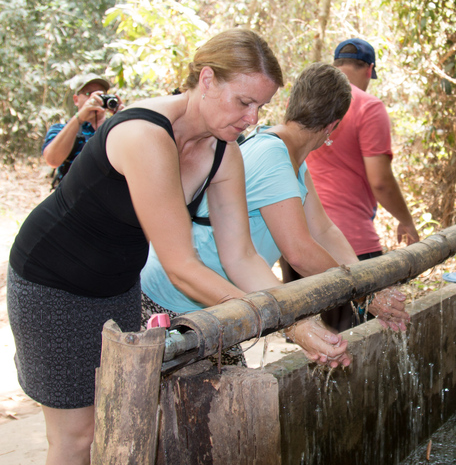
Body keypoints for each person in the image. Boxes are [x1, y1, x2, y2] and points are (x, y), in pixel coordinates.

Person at [7, 29, 349, 465]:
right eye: (244, 102)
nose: (252, 120)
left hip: (116, 285)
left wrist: (296, 316)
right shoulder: (145, 133)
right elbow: (181, 266)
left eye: (261, 107)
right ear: (206, 79)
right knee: (77, 434)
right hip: (53, 282)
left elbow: (240, 257)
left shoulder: (225, 152)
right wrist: (286, 324)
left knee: (124, 419)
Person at [141, 62, 410, 351]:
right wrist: (363, 294)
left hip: (214, 298)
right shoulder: (272, 154)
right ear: (333, 125)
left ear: (292, 104)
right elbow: (299, 252)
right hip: (174, 298)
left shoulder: (291, 155)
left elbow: (323, 230)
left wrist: (367, 284)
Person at [305, 38, 420, 329]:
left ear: (335, 66)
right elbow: (380, 181)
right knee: (357, 345)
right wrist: (406, 221)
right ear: (369, 70)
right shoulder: (368, 107)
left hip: (299, 239)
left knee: (312, 344)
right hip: (348, 243)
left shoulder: (309, 98)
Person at [43, 73, 125, 188]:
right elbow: (52, 160)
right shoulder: (60, 129)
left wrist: (125, 119)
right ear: (76, 100)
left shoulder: (116, 128)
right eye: (88, 94)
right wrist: (80, 118)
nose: (94, 98)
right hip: (73, 200)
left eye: (100, 94)